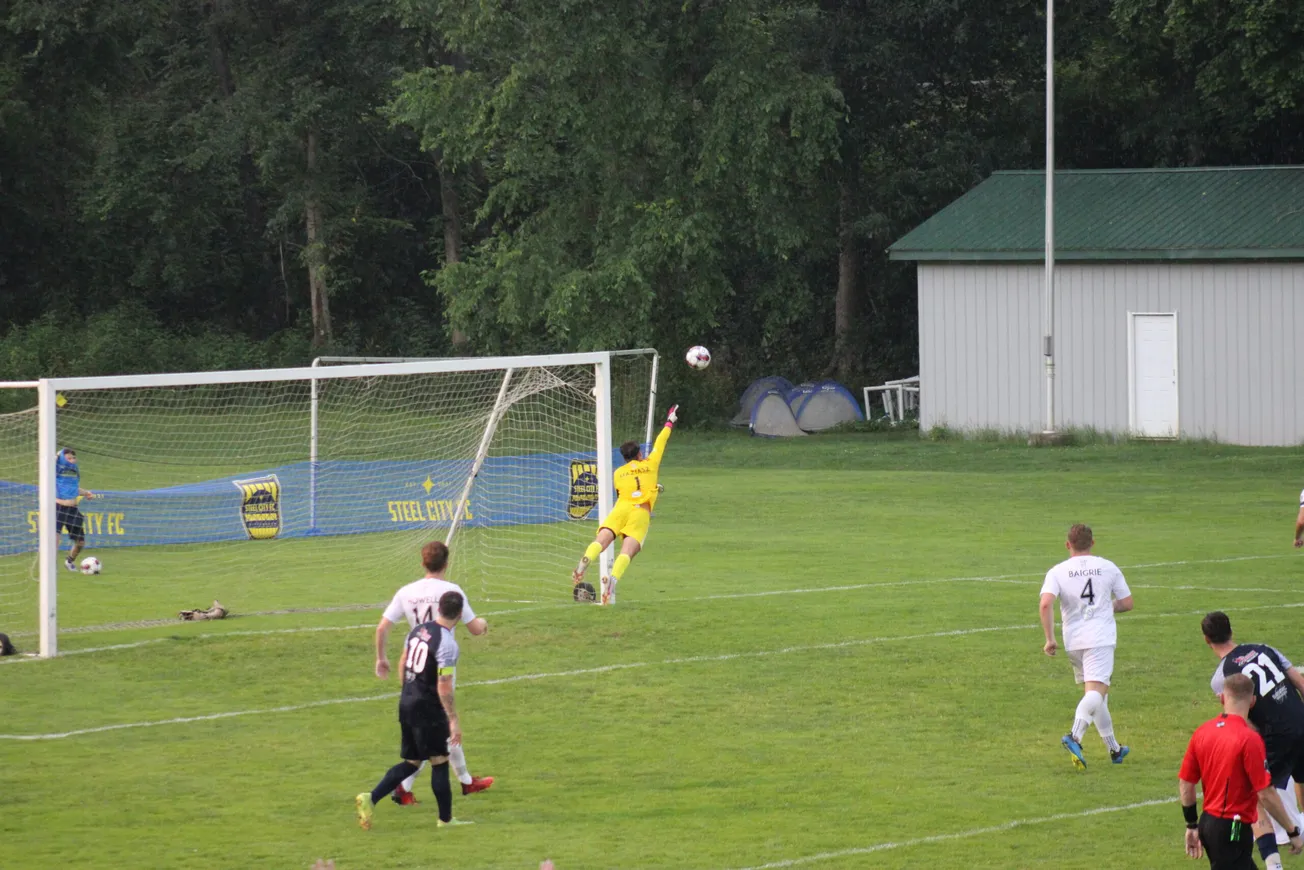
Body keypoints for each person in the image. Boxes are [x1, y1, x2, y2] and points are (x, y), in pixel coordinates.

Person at [374, 541, 492, 805]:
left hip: (411, 660)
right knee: (439, 727)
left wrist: (382, 659)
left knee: (427, 727)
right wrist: (484, 625)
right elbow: (474, 628)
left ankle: (465, 781)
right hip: (438, 660)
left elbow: (382, 628)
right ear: (447, 563)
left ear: (422, 562)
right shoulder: (452, 591)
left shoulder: (407, 591)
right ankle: (408, 787)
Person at [357, 590, 474, 830]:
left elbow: (403, 662)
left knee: (412, 762)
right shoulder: (448, 644)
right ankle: (446, 820)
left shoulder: (417, 631)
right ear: (460, 614)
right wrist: (453, 718)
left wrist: (408, 692)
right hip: (428, 707)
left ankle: (371, 798)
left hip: (407, 700)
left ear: (439, 608)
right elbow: (444, 686)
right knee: (439, 761)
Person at [1203, 611, 1304, 869]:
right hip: (1300, 719)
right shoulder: (1264, 648)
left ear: (1207, 640)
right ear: (1232, 631)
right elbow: (1299, 682)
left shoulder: (1221, 678)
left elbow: (1240, 717)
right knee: (1301, 777)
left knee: (1255, 794)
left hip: (1275, 736)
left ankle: (1274, 863)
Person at [1179, 673, 1304, 868]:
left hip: (1209, 824)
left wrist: (1191, 825)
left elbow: (1186, 784)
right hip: (1232, 829)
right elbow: (1265, 794)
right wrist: (1292, 831)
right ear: (1253, 701)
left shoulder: (1202, 732)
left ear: (1222, 698)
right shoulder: (1250, 739)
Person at [1038, 523, 1134, 769]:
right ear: (1092, 542)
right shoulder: (1107, 566)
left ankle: (1114, 749)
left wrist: (1050, 638)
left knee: (1098, 695)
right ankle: (1075, 736)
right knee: (1096, 693)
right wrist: (1108, 607)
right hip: (1100, 638)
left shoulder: (1057, 571)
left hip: (1074, 641)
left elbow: (1046, 604)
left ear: (1067, 545)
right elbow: (1127, 602)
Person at [572, 404, 678, 604]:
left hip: (621, 508)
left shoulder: (618, 473)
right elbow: (660, 442)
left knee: (603, 539)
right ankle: (612, 580)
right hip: (640, 512)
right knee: (628, 551)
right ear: (639, 454)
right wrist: (669, 421)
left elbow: (622, 492)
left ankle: (584, 561)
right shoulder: (650, 464)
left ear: (624, 457)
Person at [54, 447, 95, 572]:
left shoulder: (73, 471)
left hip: (73, 509)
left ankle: (69, 561)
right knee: (54, 539)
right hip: (57, 508)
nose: (72, 460)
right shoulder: (55, 468)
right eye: (68, 458)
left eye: (73, 457)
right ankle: (50, 567)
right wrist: (58, 454)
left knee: (80, 542)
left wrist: (86, 493)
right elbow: (50, 460)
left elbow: (73, 489)